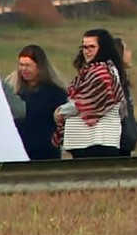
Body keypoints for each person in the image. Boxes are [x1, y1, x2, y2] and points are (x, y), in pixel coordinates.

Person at [53, 29, 127, 159]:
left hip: (96, 141)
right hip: (86, 141)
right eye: (84, 47)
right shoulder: (98, 70)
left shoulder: (101, 73)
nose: (86, 51)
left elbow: (86, 102)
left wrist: (61, 112)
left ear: (103, 48)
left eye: (92, 47)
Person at [4, 45, 68, 160]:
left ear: (39, 67)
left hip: (45, 153)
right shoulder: (16, 92)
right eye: (21, 65)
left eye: (28, 65)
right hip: (18, 152)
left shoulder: (55, 94)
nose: (24, 69)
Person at [113, 37, 137, 156]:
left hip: (126, 146)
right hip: (118, 149)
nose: (130, 53)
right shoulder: (114, 85)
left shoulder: (124, 83)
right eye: (126, 50)